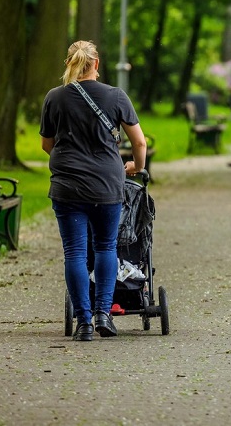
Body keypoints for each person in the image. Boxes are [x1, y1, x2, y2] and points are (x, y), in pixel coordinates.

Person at [40, 40, 147, 342]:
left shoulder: (55, 98)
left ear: (69, 64)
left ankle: (83, 323)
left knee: (75, 252)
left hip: (67, 185)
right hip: (106, 185)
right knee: (105, 247)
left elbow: (47, 144)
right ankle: (104, 314)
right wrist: (136, 166)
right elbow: (139, 142)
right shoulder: (116, 96)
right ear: (96, 64)